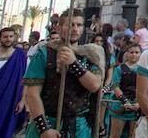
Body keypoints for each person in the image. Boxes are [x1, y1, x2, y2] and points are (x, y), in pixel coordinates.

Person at [22, 9, 105, 138]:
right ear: (59, 27)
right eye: (70, 25)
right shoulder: (44, 53)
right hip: (48, 122)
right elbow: (32, 94)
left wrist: (73, 63)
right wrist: (44, 129)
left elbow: (94, 85)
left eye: (79, 25)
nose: (75, 29)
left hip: (79, 127)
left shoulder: (92, 54)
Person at [107, 43, 143, 138]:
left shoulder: (143, 69)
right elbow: (115, 86)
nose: (134, 55)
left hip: (137, 106)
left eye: (136, 52)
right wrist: (125, 101)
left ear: (140, 54)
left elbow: (146, 88)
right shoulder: (119, 69)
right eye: (131, 52)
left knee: (133, 135)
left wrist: (139, 104)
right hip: (120, 104)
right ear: (127, 54)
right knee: (115, 135)